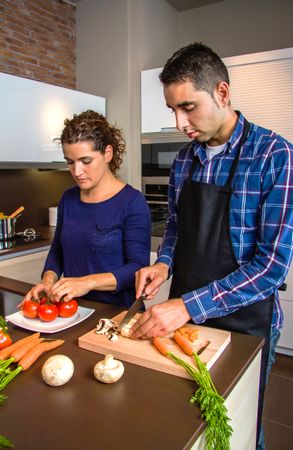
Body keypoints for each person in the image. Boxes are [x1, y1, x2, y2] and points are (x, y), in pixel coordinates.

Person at [133, 43, 293, 449]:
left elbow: (271, 267)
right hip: (183, 321)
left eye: (188, 107)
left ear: (222, 93)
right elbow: (175, 228)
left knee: (237, 427)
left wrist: (188, 305)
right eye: (172, 110)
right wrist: (163, 264)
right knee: (184, 423)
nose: (179, 122)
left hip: (246, 325)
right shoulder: (185, 160)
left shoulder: (275, 155)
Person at [24, 110, 151, 308]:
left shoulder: (132, 202)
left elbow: (138, 269)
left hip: (117, 314)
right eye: (70, 162)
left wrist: (87, 282)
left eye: (86, 161)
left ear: (107, 153)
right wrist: (48, 281)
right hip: (73, 310)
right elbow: (58, 251)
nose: (77, 171)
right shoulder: (68, 198)